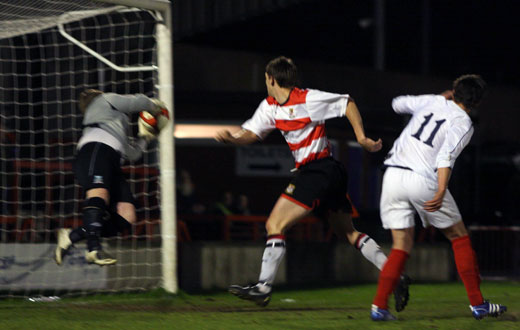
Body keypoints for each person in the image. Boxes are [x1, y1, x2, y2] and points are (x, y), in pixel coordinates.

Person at [215, 56, 410, 309]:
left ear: (271, 78)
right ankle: (395, 276)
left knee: (275, 223)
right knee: (348, 233)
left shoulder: (307, 98)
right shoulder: (270, 106)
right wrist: (232, 138)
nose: (265, 81)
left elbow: (347, 102)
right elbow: (252, 133)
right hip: (329, 172)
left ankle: (263, 287)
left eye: (265, 77)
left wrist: (361, 138)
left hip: (317, 170)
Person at [370, 75, 507, 321]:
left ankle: (379, 307)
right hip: (422, 179)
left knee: (401, 245)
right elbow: (446, 155)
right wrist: (442, 188)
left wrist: (438, 97)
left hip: (391, 175)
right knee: (459, 236)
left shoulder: (432, 101)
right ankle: (478, 304)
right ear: (477, 102)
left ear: (454, 90)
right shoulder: (463, 121)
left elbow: (397, 103)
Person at [54, 89, 168, 266]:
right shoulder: (105, 100)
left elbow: (132, 154)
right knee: (99, 195)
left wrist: (146, 136)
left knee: (127, 215)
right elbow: (136, 102)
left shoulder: (112, 123)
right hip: (95, 151)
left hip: (110, 158)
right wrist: (155, 107)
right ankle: (94, 248)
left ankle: (73, 235)